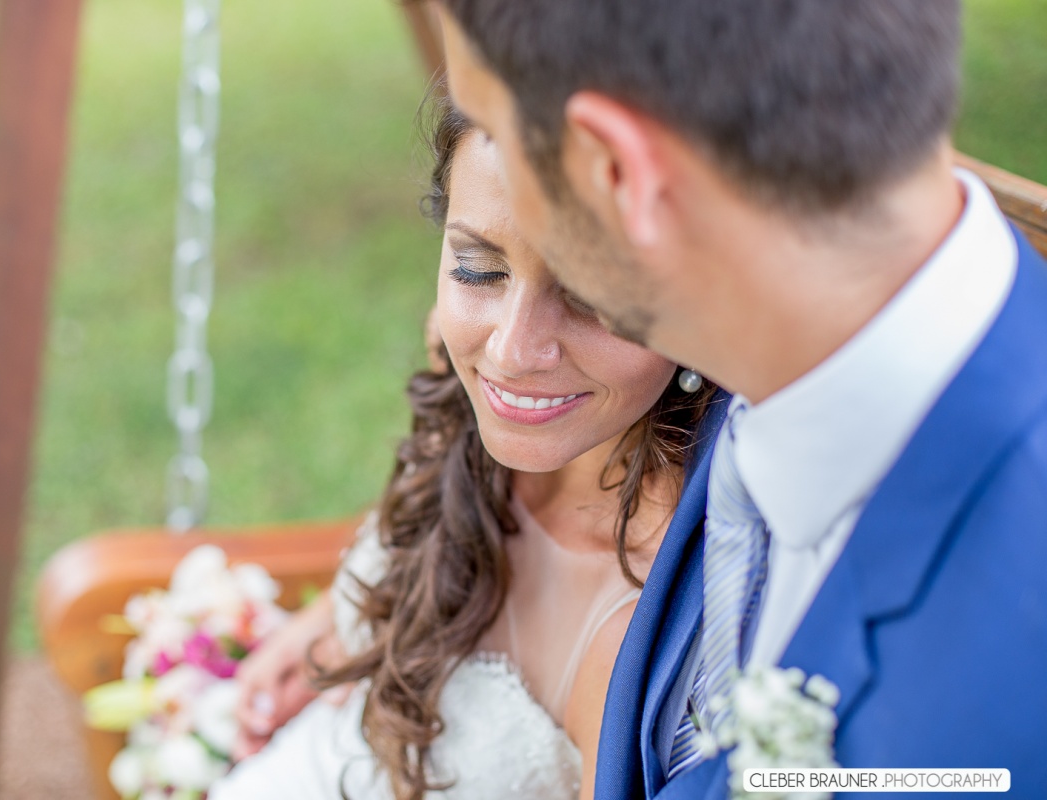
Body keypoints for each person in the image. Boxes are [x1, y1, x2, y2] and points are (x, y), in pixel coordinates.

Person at [435, 1, 1047, 798]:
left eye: (491, 127)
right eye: (480, 269)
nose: (515, 346)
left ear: (620, 172)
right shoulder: (791, 314)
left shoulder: (993, 682)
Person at [208, 103, 720, 800]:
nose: (511, 350)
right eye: (479, 269)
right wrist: (335, 617)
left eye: (594, 295)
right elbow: (437, 514)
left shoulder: (640, 636)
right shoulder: (469, 369)